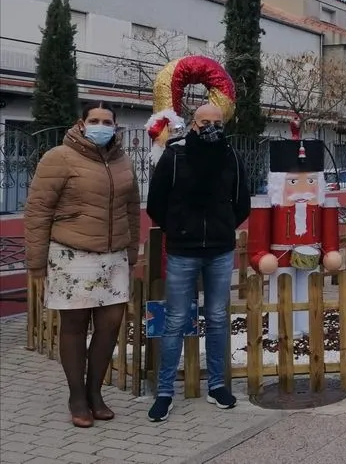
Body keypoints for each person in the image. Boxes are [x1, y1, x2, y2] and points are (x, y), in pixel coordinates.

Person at [24, 102, 141, 428]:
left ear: (115, 126)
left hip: (114, 256)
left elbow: (132, 209)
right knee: (74, 327)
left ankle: (95, 393)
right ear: (82, 123)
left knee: (111, 325)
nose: (101, 125)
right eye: (95, 120)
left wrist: (132, 250)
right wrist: (36, 264)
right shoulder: (58, 158)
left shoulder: (123, 160)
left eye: (107, 121)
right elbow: (37, 212)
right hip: (72, 255)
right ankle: (77, 397)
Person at [145, 103, 251, 422]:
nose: (211, 127)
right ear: (193, 123)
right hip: (182, 250)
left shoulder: (230, 156)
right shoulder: (175, 156)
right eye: (205, 121)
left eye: (216, 122)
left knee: (218, 318)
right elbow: (156, 202)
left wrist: (222, 227)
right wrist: (178, 229)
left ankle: (217, 386)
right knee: (176, 319)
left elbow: (241, 202)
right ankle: (165, 392)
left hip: (219, 250)